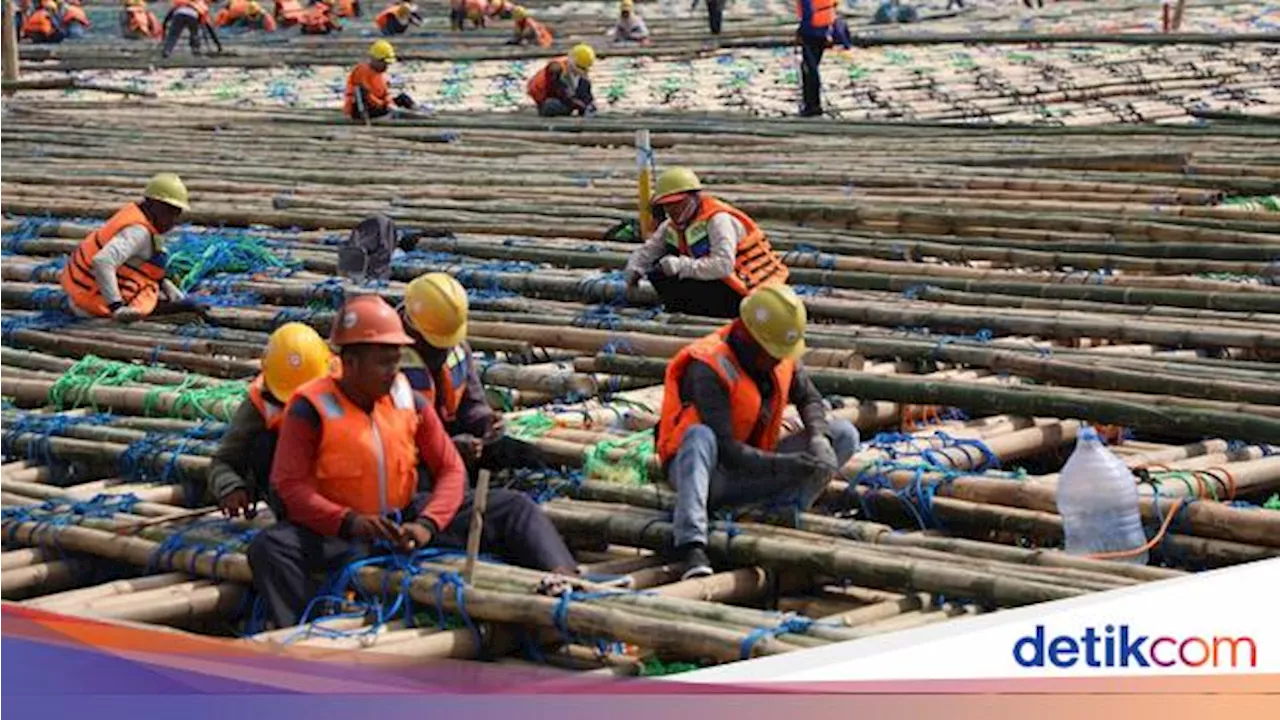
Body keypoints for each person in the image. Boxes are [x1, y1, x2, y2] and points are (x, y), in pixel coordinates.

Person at [248, 295, 580, 628]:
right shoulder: (311, 408)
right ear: (350, 361)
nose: (393, 371)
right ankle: (313, 628)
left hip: (403, 519)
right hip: (342, 533)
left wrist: (427, 524)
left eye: (396, 360)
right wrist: (348, 521)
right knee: (270, 547)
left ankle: (565, 580)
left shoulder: (408, 400)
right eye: (383, 362)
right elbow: (289, 486)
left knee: (513, 508)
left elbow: (450, 468)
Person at [656, 284, 860, 579]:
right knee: (700, 437)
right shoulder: (709, 367)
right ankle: (692, 545)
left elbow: (810, 398)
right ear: (751, 339)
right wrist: (785, 465)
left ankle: (783, 510)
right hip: (715, 475)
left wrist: (818, 437)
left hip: (756, 467)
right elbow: (726, 449)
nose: (779, 360)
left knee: (843, 435)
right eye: (773, 353)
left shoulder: (778, 354)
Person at [400, 273, 550, 481]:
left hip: (457, 444)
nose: (442, 350)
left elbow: (472, 404)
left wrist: (486, 421)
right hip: (408, 457)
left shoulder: (457, 348)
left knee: (526, 455)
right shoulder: (385, 359)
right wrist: (444, 449)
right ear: (412, 327)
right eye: (435, 343)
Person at [624, 167, 788, 319]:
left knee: (673, 270)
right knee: (658, 273)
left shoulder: (718, 220)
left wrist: (681, 266)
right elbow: (648, 251)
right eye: (667, 206)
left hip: (748, 290)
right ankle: (685, 312)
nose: (673, 210)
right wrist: (635, 269)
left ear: (694, 197)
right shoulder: (670, 226)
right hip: (715, 282)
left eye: (678, 203)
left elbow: (723, 265)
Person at [209, 323, 333, 519]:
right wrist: (230, 487)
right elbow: (224, 460)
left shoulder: (348, 386)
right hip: (289, 486)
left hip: (338, 479)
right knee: (263, 445)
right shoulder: (259, 404)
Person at [58, 173, 190, 322]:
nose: (173, 221)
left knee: (179, 303)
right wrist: (117, 306)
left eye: (177, 214)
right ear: (153, 205)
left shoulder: (144, 222)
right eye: (169, 212)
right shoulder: (138, 232)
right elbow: (102, 261)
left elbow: (146, 269)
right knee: (181, 309)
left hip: (86, 293)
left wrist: (169, 289)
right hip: (93, 302)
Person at [344, 39, 416, 121]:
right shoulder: (362, 71)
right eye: (384, 63)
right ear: (374, 59)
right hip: (362, 110)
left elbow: (385, 94)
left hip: (379, 106)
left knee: (403, 98)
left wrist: (389, 103)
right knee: (361, 93)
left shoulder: (380, 74)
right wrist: (384, 105)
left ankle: (418, 113)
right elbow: (367, 97)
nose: (386, 66)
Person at [525, 43, 595, 117]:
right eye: (579, 67)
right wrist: (576, 104)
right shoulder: (555, 68)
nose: (581, 71)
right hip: (548, 97)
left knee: (584, 87)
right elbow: (557, 92)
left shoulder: (581, 76)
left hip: (567, 96)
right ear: (570, 59)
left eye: (584, 69)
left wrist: (587, 103)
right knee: (551, 105)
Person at [796, 0, 835, 117]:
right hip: (824, 30)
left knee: (809, 70)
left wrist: (801, 32)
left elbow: (808, 13)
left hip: (811, 32)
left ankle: (812, 105)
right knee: (812, 68)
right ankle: (813, 104)